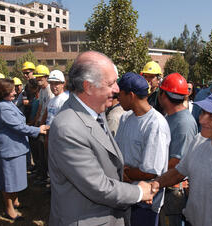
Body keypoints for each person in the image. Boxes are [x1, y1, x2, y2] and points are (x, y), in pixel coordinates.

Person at [48, 51, 158, 226]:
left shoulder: (95, 111)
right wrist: (138, 192)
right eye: (111, 83)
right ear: (88, 86)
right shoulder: (68, 127)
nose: (117, 89)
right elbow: (98, 187)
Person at [155, 89, 212, 226]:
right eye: (203, 112)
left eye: (211, 116)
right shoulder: (199, 140)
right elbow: (180, 171)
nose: (201, 119)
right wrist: (155, 184)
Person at [115, 72, 170, 226]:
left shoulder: (155, 124)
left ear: (131, 95)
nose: (117, 98)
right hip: (125, 197)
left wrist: (124, 173)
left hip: (145, 204)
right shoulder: (125, 118)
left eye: (120, 94)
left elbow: (151, 170)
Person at [0, 78, 48, 221]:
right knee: (8, 181)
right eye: (11, 90)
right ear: (3, 92)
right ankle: (9, 210)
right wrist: (38, 129)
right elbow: (18, 127)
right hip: (9, 149)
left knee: (14, 178)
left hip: (15, 148)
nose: (14, 91)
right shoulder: (2, 107)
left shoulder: (7, 103)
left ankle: (15, 202)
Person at [157, 73, 198, 226]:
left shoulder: (184, 123)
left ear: (163, 95)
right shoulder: (171, 117)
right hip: (165, 188)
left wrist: (149, 170)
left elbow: (178, 162)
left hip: (173, 193)